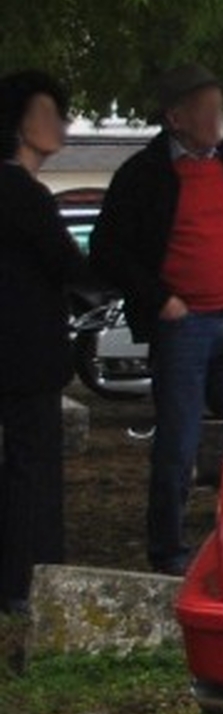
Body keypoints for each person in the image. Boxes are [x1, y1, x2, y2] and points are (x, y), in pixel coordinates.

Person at [91, 63, 223, 575]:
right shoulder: (144, 173)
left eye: (220, 108)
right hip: (184, 325)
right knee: (178, 440)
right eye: (208, 109)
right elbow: (108, 251)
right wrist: (161, 300)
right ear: (176, 117)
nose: (219, 118)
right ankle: (168, 552)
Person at [0, 70, 95, 614]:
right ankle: (30, 578)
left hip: (17, 351)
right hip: (26, 354)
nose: (57, 124)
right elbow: (68, 264)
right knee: (32, 467)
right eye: (46, 113)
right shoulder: (25, 195)